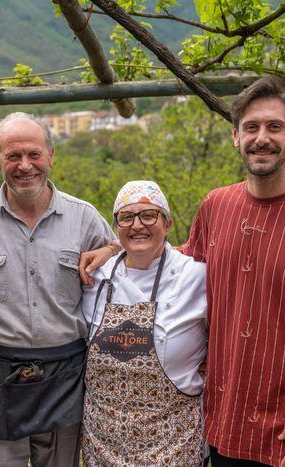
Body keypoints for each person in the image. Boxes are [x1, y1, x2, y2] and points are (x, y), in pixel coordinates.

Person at [81, 77, 285, 467]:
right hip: (224, 426)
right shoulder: (217, 206)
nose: (262, 138)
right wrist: (117, 247)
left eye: (275, 127)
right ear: (236, 137)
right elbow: (174, 259)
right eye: (251, 127)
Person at [0, 112, 114, 467]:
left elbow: (137, 261)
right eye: (13, 156)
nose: (25, 166)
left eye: (34, 155)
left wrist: (112, 249)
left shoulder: (84, 217)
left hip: (65, 374)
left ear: (51, 156)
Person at [80, 180, 207, 466]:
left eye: (149, 215)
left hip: (173, 443)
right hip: (102, 442)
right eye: (126, 217)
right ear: (116, 227)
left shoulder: (196, 277)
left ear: (168, 223)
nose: (137, 225)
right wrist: (111, 250)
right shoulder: (95, 276)